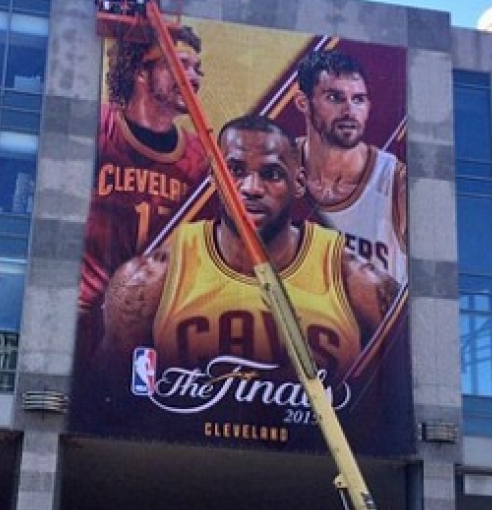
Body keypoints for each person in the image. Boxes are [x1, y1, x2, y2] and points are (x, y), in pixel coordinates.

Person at [96, 115, 400, 383]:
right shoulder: (150, 280)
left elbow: (395, 394)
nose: (251, 187)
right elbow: (110, 399)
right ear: (215, 178)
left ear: (299, 182)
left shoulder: (355, 282)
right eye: (236, 170)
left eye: (272, 174)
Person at [78, 24, 210, 322]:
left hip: (153, 320)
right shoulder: (98, 125)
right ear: (140, 71)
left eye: (197, 69)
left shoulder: (200, 156)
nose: (193, 77)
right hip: (84, 313)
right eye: (180, 64)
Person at [293, 49, 407, 285]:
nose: (349, 111)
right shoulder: (277, 165)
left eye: (358, 99)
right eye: (335, 98)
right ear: (303, 103)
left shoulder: (396, 180)